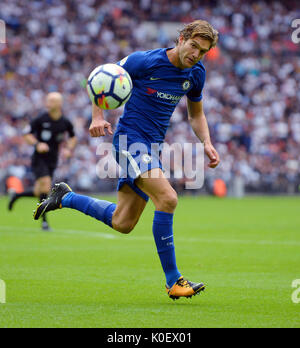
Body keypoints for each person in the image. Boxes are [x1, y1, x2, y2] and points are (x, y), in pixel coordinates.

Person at [33, 20, 220, 299]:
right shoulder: (145, 61)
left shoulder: (196, 74)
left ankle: (65, 197)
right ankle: (174, 281)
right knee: (168, 199)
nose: (196, 54)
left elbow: (195, 114)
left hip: (152, 148)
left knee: (123, 222)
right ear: (181, 39)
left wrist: (206, 141)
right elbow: (101, 77)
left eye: (202, 51)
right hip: (129, 141)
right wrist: (98, 116)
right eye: (193, 45)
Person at [9, 92, 77, 231]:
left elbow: (72, 137)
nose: (48, 102)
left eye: (52, 100)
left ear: (59, 104)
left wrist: (69, 149)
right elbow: (26, 133)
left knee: (38, 191)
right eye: (48, 100)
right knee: (46, 186)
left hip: (53, 159)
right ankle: (44, 222)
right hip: (39, 159)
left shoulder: (65, 122)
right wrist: (37, 144)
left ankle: (16, 195)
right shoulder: (41, 119)